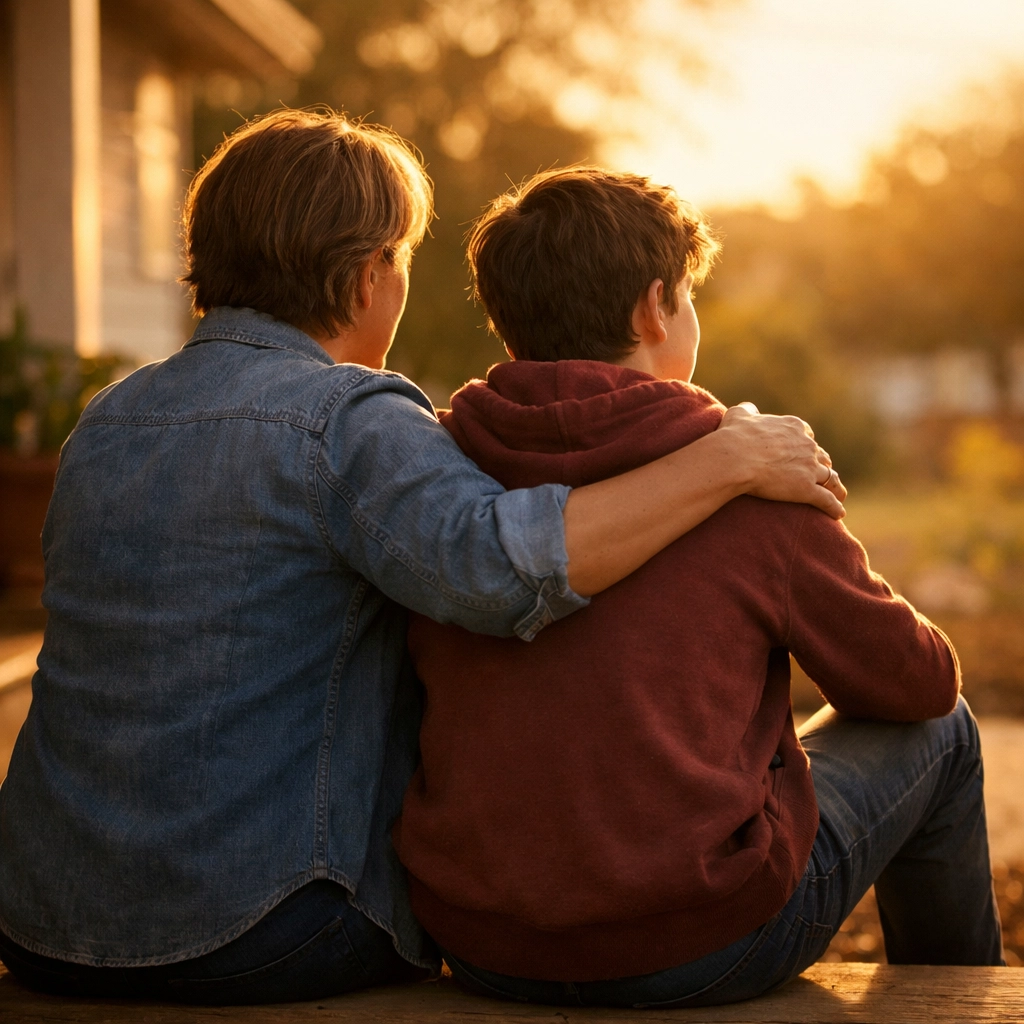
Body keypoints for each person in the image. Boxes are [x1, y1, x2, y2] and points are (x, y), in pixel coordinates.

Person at [0, 113, 844, 1005]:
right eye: (401, 260)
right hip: (262, 927)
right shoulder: (345, 419)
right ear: (370, 276)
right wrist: (727, 455)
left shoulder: (107, 420)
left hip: (40, 919)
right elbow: (504, 572)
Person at [393, 167, 1005, 1008]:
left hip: (486, 941)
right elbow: (918, 681)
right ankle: (965, 1004)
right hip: (700, 942)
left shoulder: (440, 477)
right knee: (949, 727)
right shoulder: (747, 479)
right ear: (655, 308)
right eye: (687, 294)